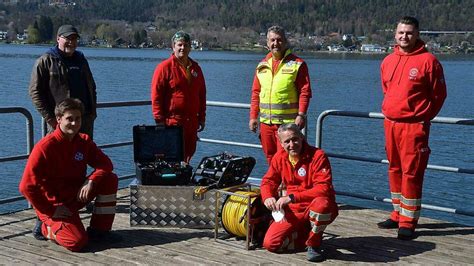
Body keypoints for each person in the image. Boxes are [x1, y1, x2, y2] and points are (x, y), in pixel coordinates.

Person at [378, 16, 447, 240]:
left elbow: (438, 95)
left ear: (417, 34)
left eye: (409, 33)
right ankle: (397, 213)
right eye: (401, 33)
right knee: (394, 169)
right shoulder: (388, 60)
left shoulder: (429, 61)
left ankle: (408, 221)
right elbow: (386, 89)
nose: (404, 36)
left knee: (412, 173)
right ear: (395, 34)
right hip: (391, 124)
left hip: (413, 127)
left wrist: (421, 117)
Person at [19, 98, 119, 252]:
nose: (74, 123)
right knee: (77, 242)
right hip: (56, 204)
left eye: (77, 118)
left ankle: (100, 230)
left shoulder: (83, 141)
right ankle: (46, 227)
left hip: (75, 196)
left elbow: (106, 164)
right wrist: (49, 210)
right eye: (69, 119)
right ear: (59, 119)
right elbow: (26, 186)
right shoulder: (45, 147)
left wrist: (91, 179)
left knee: (109, 179)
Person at [260, 123, 338, 262]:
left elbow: (324, 188)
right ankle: (306, 234)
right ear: (281, 143)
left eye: (295, 139)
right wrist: (268, 197)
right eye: (287, 141)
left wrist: (292, 197)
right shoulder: (279, 157)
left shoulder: (318, 156)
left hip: (314, 204)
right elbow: (268, 181)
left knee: (322, 205)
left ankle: (314, 244)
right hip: (293, 209)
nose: (292, 144)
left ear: (302, 137)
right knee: (270, 244)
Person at [249, 25, 312, 165]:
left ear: (285, 41)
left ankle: (288, 187)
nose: (275, 44)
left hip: (287, 124)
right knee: (271, 159)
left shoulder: (297, 64)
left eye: (279, 40)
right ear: (267, 43)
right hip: (266, 124)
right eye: (272, 40)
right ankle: (277, 186)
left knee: (287, 160)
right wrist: (253, 117)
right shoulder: (262, 65)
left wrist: (301, 114)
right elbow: (256, 93)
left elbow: (305, 92)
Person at [29, 24, 97, 139]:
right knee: (57, 155)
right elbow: (35, 92)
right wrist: (51, 119)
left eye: (74, 39)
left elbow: (92, 87)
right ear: (58, 38)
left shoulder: (81, 60)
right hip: (59, 123)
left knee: (83, 156)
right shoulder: (45, 61)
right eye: (68, 38)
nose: (71, 42)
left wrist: (92, 114)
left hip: (84, 122)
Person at [151, 30, 206, 163]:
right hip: (172, 122)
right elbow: (156, 95)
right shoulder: (164, 67)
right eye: (180, 45)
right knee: (172, 155)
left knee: (189, 153)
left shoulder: (196, 68)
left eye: (186, 45)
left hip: (191, 122)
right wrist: (159, 120)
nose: (183, 48)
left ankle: (184, 179)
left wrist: (202, 117)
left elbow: (202, 94)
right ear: (173, 46)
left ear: (190, 47)